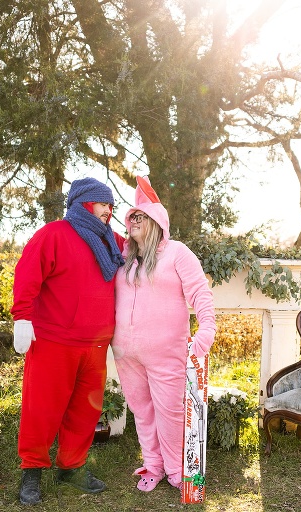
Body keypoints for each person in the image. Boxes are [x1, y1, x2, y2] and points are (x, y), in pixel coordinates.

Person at [11, 177, 125, 506]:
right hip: (54, 341)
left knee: (84, 411)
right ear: (85, 203)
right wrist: (22, 317)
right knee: (42, 409)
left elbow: (142, 247)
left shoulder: (111, 242)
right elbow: (27, 274)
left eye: (111, 205)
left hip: (96, 345)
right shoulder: (53, 235)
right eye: (104, 203)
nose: (109, 210)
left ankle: (71, 466)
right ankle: (32, 470)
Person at [111, 176, 216, 492]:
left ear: (156, 220)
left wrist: (206, 331)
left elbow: (200, 293)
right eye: (131, 218)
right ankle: (153, 466)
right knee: (142, 411)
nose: (133, 222)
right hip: (126, 353)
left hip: (166, 350)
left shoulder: (177, 253)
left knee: (170, 411)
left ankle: (177, 470)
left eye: (139, 217)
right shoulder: (125, 259)